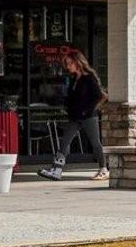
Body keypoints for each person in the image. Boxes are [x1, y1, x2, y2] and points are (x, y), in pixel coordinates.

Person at [41, 50, 107, 180]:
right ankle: (57, 170)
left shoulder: (88, 78)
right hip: (75, 117)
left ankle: (103, 169)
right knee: (65, 142)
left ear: (78, 62)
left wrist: (88, 110)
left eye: (70, 63)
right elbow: (72, 98)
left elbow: (101, 96)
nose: (68, 66)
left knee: (95, 143)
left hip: (88, 116)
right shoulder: (73, 79)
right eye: (67, 63)